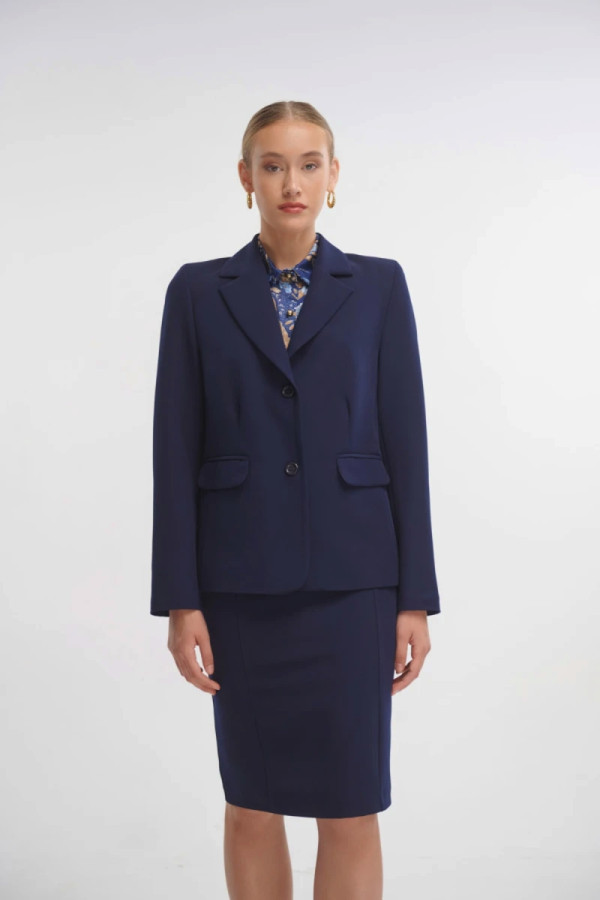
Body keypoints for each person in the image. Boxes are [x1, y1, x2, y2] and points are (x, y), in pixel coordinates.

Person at [150, 100, 441, 900]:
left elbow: (406, 446)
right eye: (272, 165)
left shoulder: (379, 287)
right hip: (240, 587)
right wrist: (180, 600)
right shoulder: (197, 293)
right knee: (251, 802)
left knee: (351, 806)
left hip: (354, 585)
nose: (291, 183)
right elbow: (173, 453)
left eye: (309, 165)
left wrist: (414, 599)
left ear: (333, 176)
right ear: (246, 178)